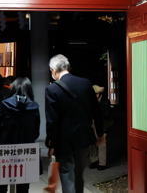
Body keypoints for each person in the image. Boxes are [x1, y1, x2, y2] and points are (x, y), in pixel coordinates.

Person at [44, 54, 104, 193]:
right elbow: (97, 111)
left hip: (64, 142)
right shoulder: (85, 83)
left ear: (53, 69)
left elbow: (52, 120)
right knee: (79, 175)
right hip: (84, 138)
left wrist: (51, 144)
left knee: (67, 175)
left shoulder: (52, 89)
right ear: (68, 67)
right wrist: (99, 134)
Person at [0, 77, 41, 193]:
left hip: (5, 149)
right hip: (26, 150)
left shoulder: (5, 105)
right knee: (23, 186)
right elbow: (36, 132)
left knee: (1, 185)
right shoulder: (34, 107)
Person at [89, 85, 112, 171]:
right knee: (93, 143)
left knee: (102, 143)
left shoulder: (105, 101)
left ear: (99, 94)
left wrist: (97, 113)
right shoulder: (92, 101)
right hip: (93, 123)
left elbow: (107, 114)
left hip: (103, 124)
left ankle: (102, 163)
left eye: (96, 94)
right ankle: (94, 160)